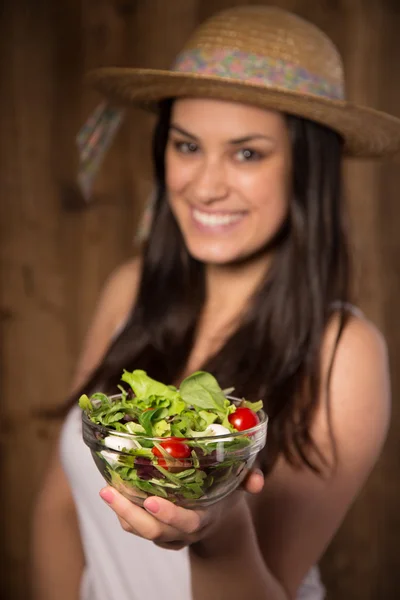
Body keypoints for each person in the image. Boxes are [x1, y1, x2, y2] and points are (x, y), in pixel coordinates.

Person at [31, 5, 399, 600]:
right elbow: (55, 509)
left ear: (306, 170)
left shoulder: (344, 352)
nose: (204, 185)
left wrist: (217, 531)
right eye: (187, 146)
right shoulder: (130, 291)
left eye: (247, 153)